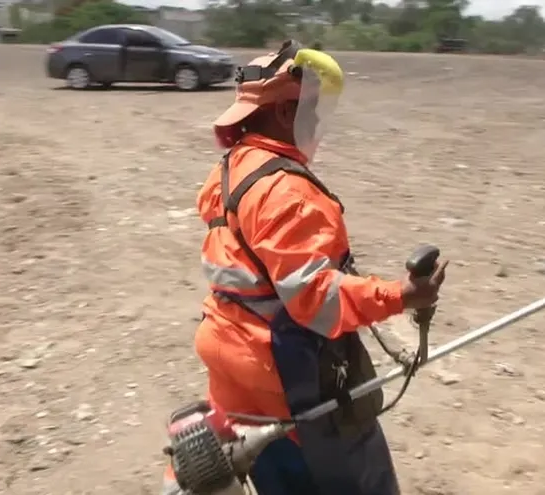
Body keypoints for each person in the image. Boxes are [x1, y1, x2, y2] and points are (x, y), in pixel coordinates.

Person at [173, 41, 448, 495]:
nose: (318, 123)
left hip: (234, 376)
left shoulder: (230, 171)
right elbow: (317, 302)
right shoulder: (289, 193)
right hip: (291, 386)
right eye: (312, 110)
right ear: (285, 113)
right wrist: (404, 295)